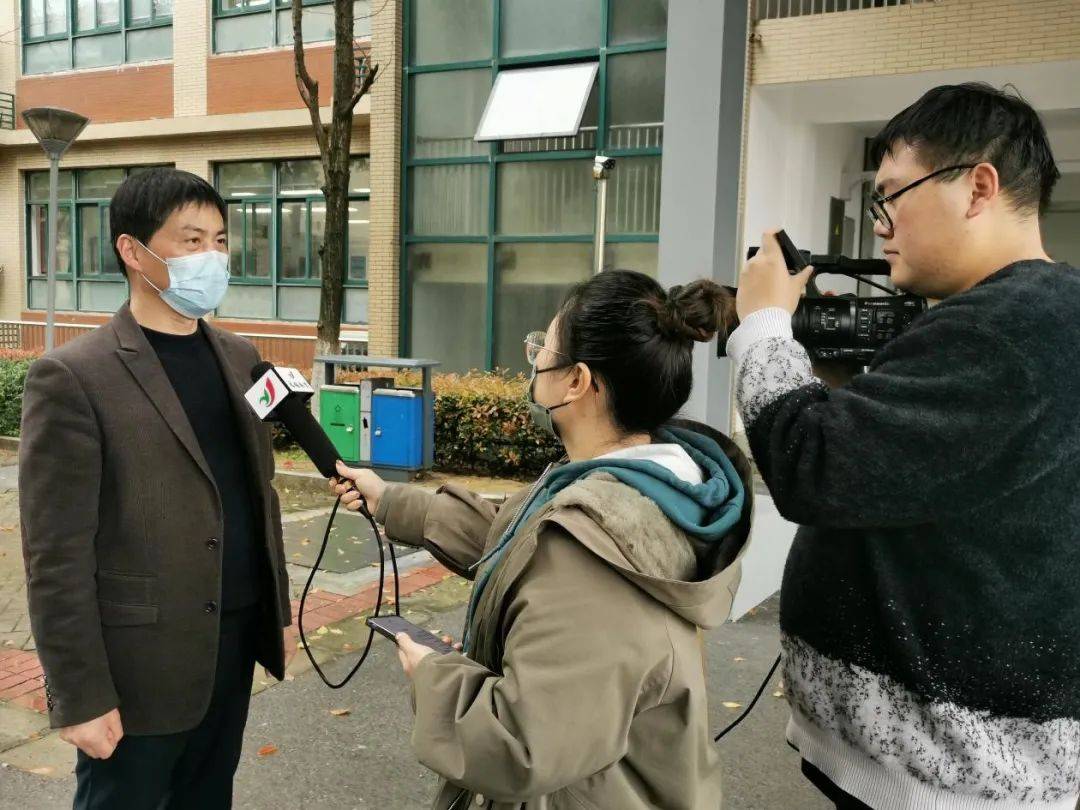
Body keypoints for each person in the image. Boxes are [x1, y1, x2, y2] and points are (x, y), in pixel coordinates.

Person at [728, 83, 1079, 809]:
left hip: (938, 774)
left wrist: (763, 323)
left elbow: (812, 464)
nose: (882, 224)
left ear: (978, 186)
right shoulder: (1039, 320)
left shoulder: (1000, 333)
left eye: (892, 195)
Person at [332, 270, 752, 809]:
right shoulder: (646, 489)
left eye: (541, 351)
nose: (533, 366)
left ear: (577, 381)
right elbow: (516, 536)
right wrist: (389, 501)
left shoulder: (591, 549)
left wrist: (434, 673)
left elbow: (518, 746)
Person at [19, 167, 292, 809]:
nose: (212, 258)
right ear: (133, 251)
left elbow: (256, 490)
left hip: (231, 641)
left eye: (220, 241)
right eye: (190, 240)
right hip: (136, 664)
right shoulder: (72, 377)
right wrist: (80, 694)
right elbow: (55, 556)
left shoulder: (241, 357)